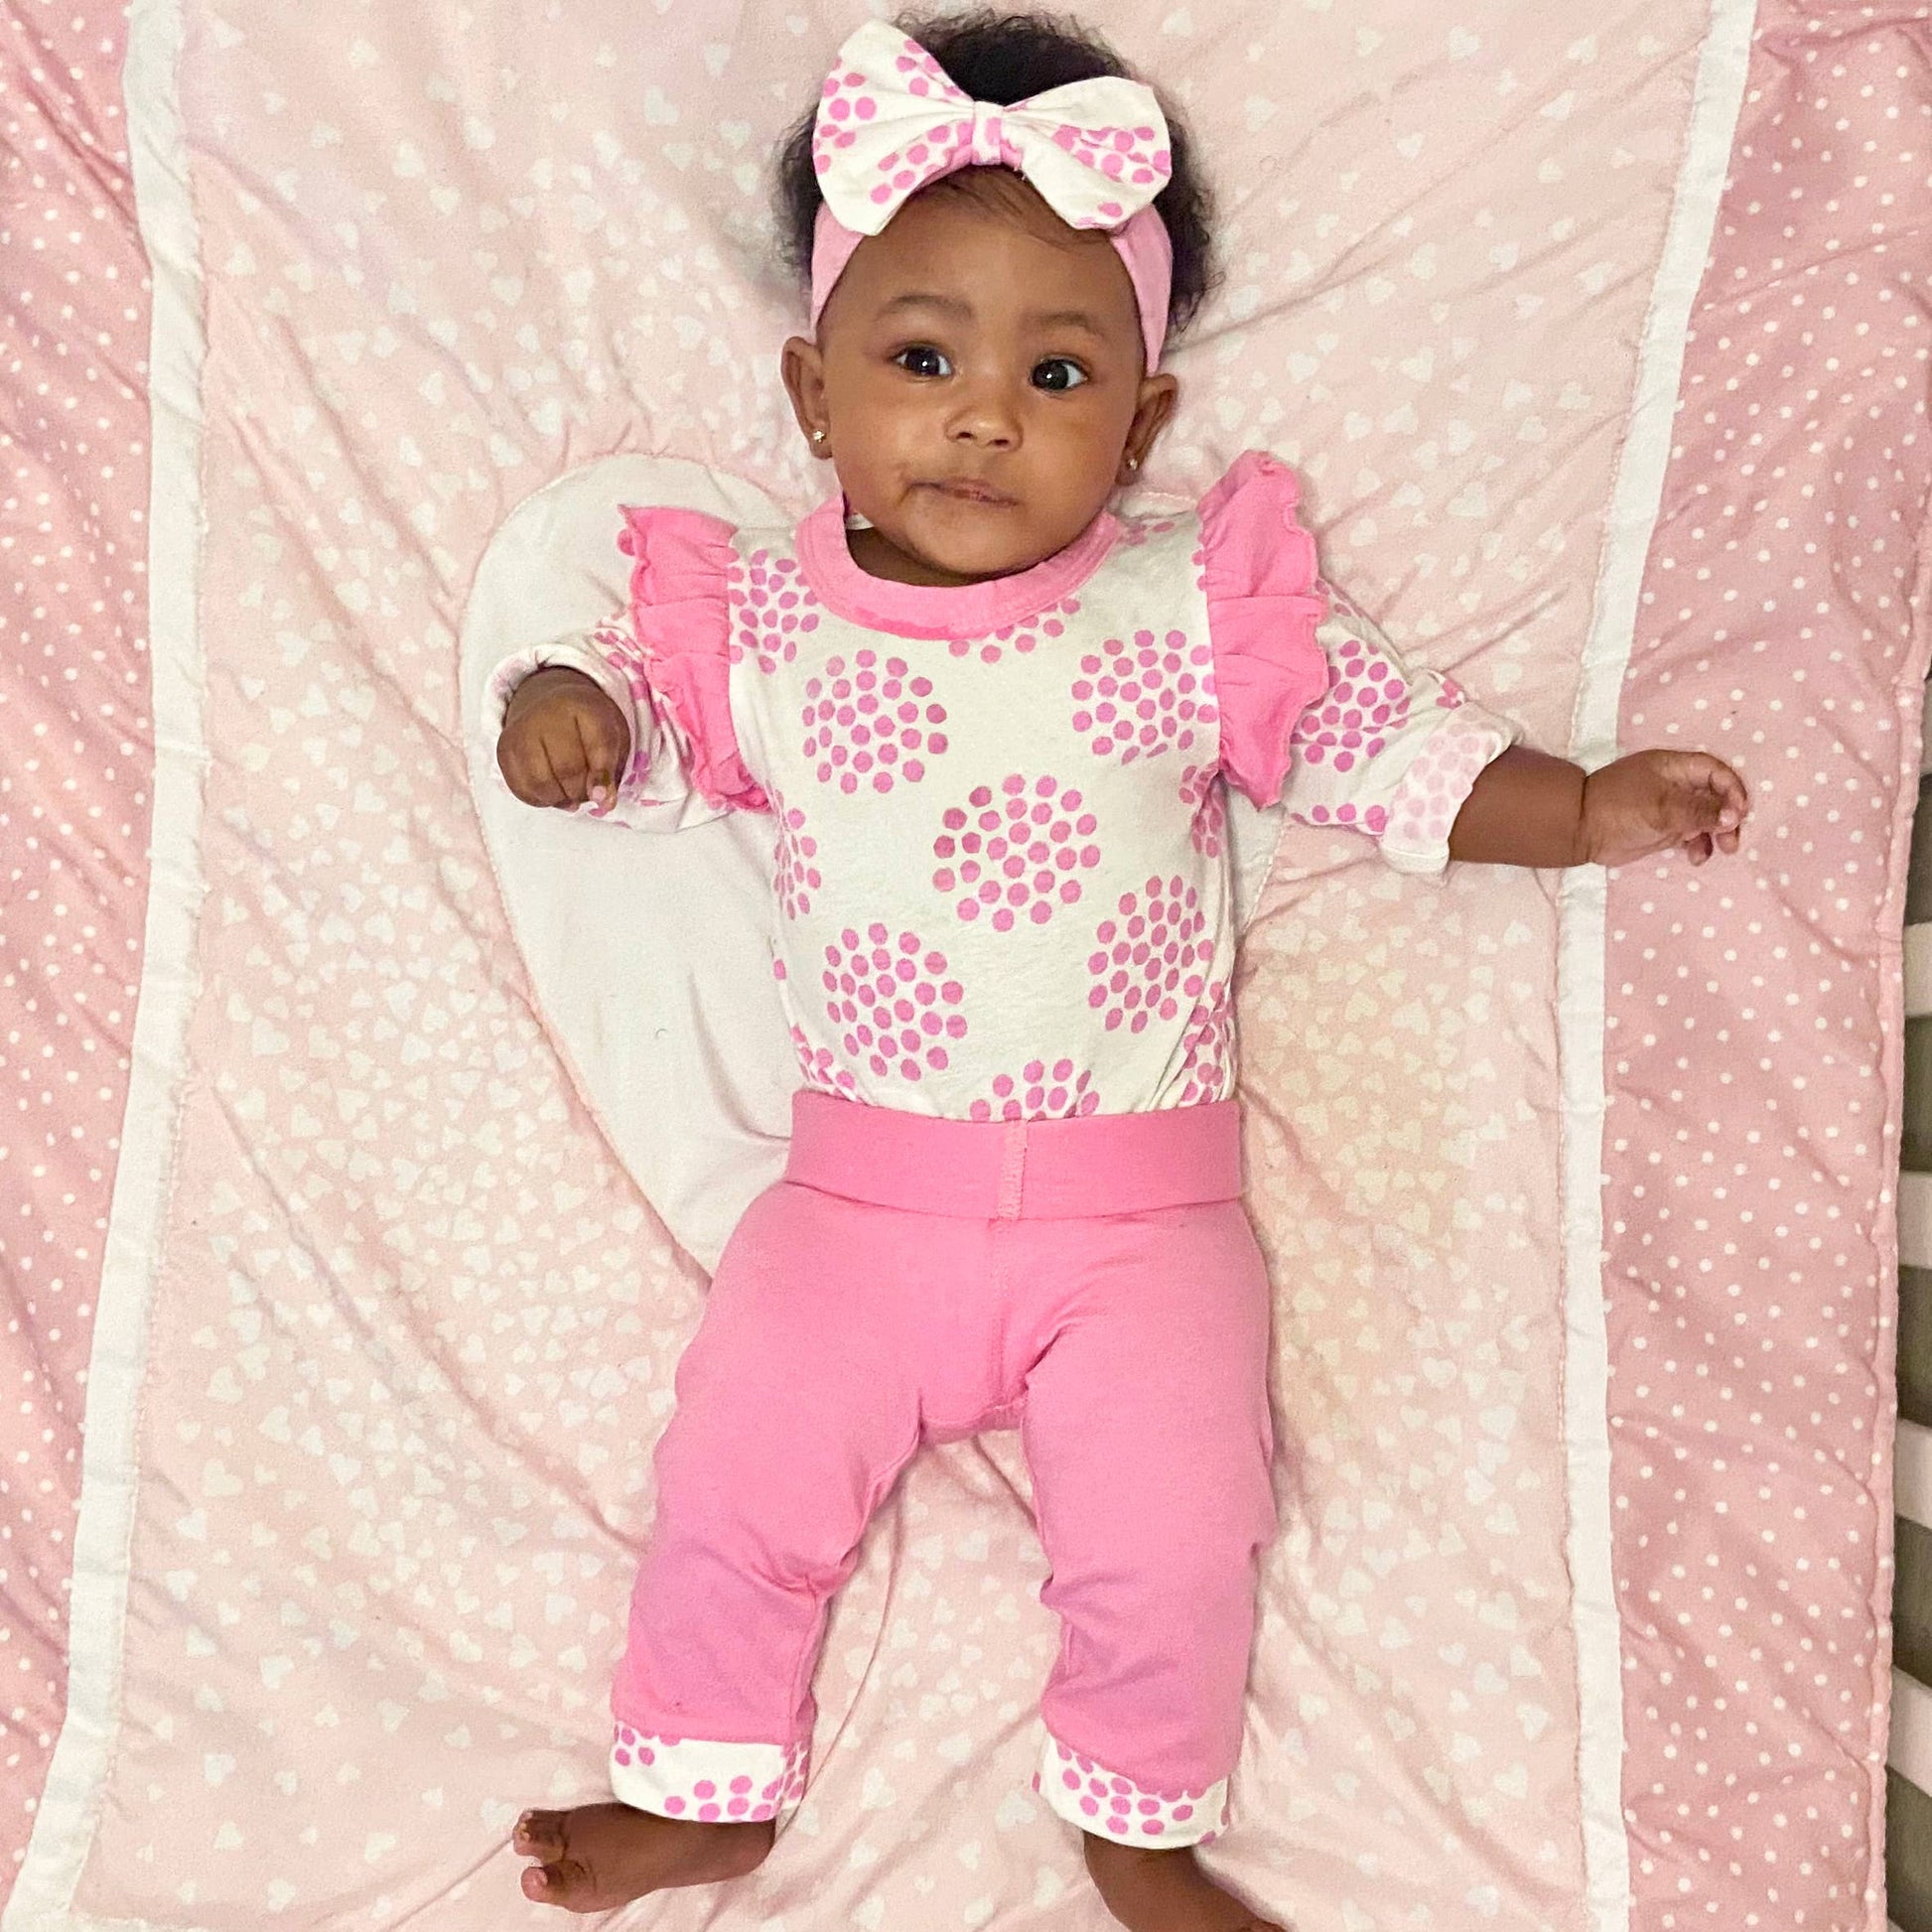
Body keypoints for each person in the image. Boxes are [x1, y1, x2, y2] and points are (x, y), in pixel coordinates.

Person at [490, 14, 1748, 1928]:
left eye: (1055, 369)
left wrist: (1572, 808)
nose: (983, 413)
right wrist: (569, 709)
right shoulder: (752, 613)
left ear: (1141, 427)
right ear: (812, 395)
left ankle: (1135, 1825)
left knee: (1178, 1538)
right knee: (734, 1479)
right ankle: (706, 1779)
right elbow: (639, 708)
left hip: (1138, 1229)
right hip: (851, 1213)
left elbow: (1374, 739)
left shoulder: (1180, 615)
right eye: (920, 359)